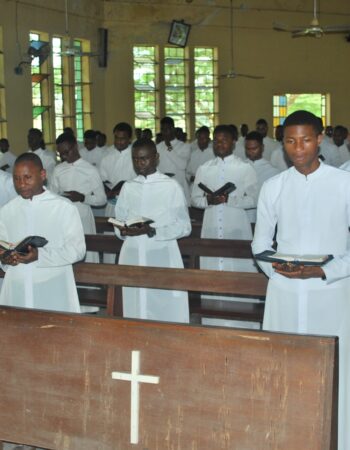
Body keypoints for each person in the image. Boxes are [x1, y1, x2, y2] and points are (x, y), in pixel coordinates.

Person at [252, 110, 350, 450]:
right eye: (290, 141)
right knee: (284, 364)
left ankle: (338, 437)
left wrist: (324, 270)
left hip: (331, 291)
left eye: (306, 139)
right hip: (284, 292)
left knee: (336, 370)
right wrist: (278, 271)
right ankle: (284, 435)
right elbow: (261, 244)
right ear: (282, 144)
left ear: (320, 139)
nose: (298, 148)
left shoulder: (344, 183)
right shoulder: (274, 187)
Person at [113, 138, 191, 323]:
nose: (139, 164)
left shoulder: (170, 186)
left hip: (160, 254)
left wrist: (152, 231)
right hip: (132, 254)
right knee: (134, 305)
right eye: (135, 159)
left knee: (162, 306)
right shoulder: (128, 187)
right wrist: (123, 230)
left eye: (144, 159)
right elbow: (120, 219)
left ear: (156, 158)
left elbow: (184, 226)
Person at [191, 125, 259, 328]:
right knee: (212, 272)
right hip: (211, 226)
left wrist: (229, 199)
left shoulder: (245, 168)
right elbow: (194, 199)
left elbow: (254, 199)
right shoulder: (204, 169)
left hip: (235, 227)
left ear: (233, 143)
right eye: (217, 140)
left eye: (224, 140)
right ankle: (213, 320)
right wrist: (208, 201)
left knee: (238, 271)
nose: (220, 144)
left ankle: (243, 322)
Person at [0, 153, 86, 312]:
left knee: (53, 333)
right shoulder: (7, 211)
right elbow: (3, 246)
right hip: (17, 285)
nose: (22, 184)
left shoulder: (63, 207)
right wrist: (5, 258)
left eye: (27, 177)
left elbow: (78, 250)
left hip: (51, 285)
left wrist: (40, 255)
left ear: (43, 175)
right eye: (16, 178)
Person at [50, 132, 106, 263]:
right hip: (63, 217)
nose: (64, 156)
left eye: (66, 152)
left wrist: (83, 197)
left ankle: (90, 282)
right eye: (61, 154)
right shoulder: (58, 170)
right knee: (66, 252)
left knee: (87, 253)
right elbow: (52, 195)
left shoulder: (90, 170)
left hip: (83, 217)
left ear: (75, 146)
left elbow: (102, 199)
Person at [99, 122, 136, 218]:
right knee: (110, 231)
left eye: (122, 139)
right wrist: (107, 191)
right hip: (112, 204)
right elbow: (102, 179)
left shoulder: (136, 156)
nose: (119, 141)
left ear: (129, 139)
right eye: (116, 138)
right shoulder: (107, 157)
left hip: (132, 204)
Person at [244, 131, 279, 223]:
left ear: (262, 148)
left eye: (254, 148)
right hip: (243, 219)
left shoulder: (273, 172)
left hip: (264, 219)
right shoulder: (240, 168)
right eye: (248, 149)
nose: (251, 152)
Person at [156, 116, 191, 204]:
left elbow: (182, 165)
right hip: (161, 186)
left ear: (173, 129)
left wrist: (169, 147)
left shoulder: (184, 146)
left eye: (167, 129)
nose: (164, 132)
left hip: (178, 185)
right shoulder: (158, 147)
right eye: (162, 129)